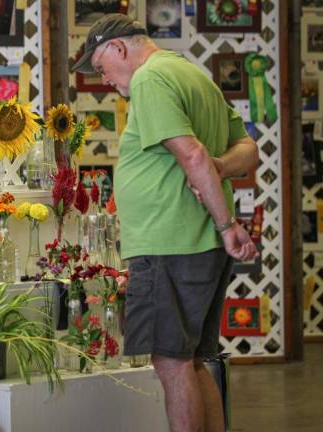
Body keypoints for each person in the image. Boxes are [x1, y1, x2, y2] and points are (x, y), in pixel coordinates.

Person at [72, 14, 259, 432]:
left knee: (171, 363)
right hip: (196, 243)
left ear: (119, 48)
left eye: (100, 66)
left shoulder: (150, 79)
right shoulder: (191, 74)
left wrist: (229, 224)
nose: (103, 79)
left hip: (170, 244)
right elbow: (247, 148)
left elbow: (191, 155)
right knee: (191, 362)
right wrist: (221, 169)